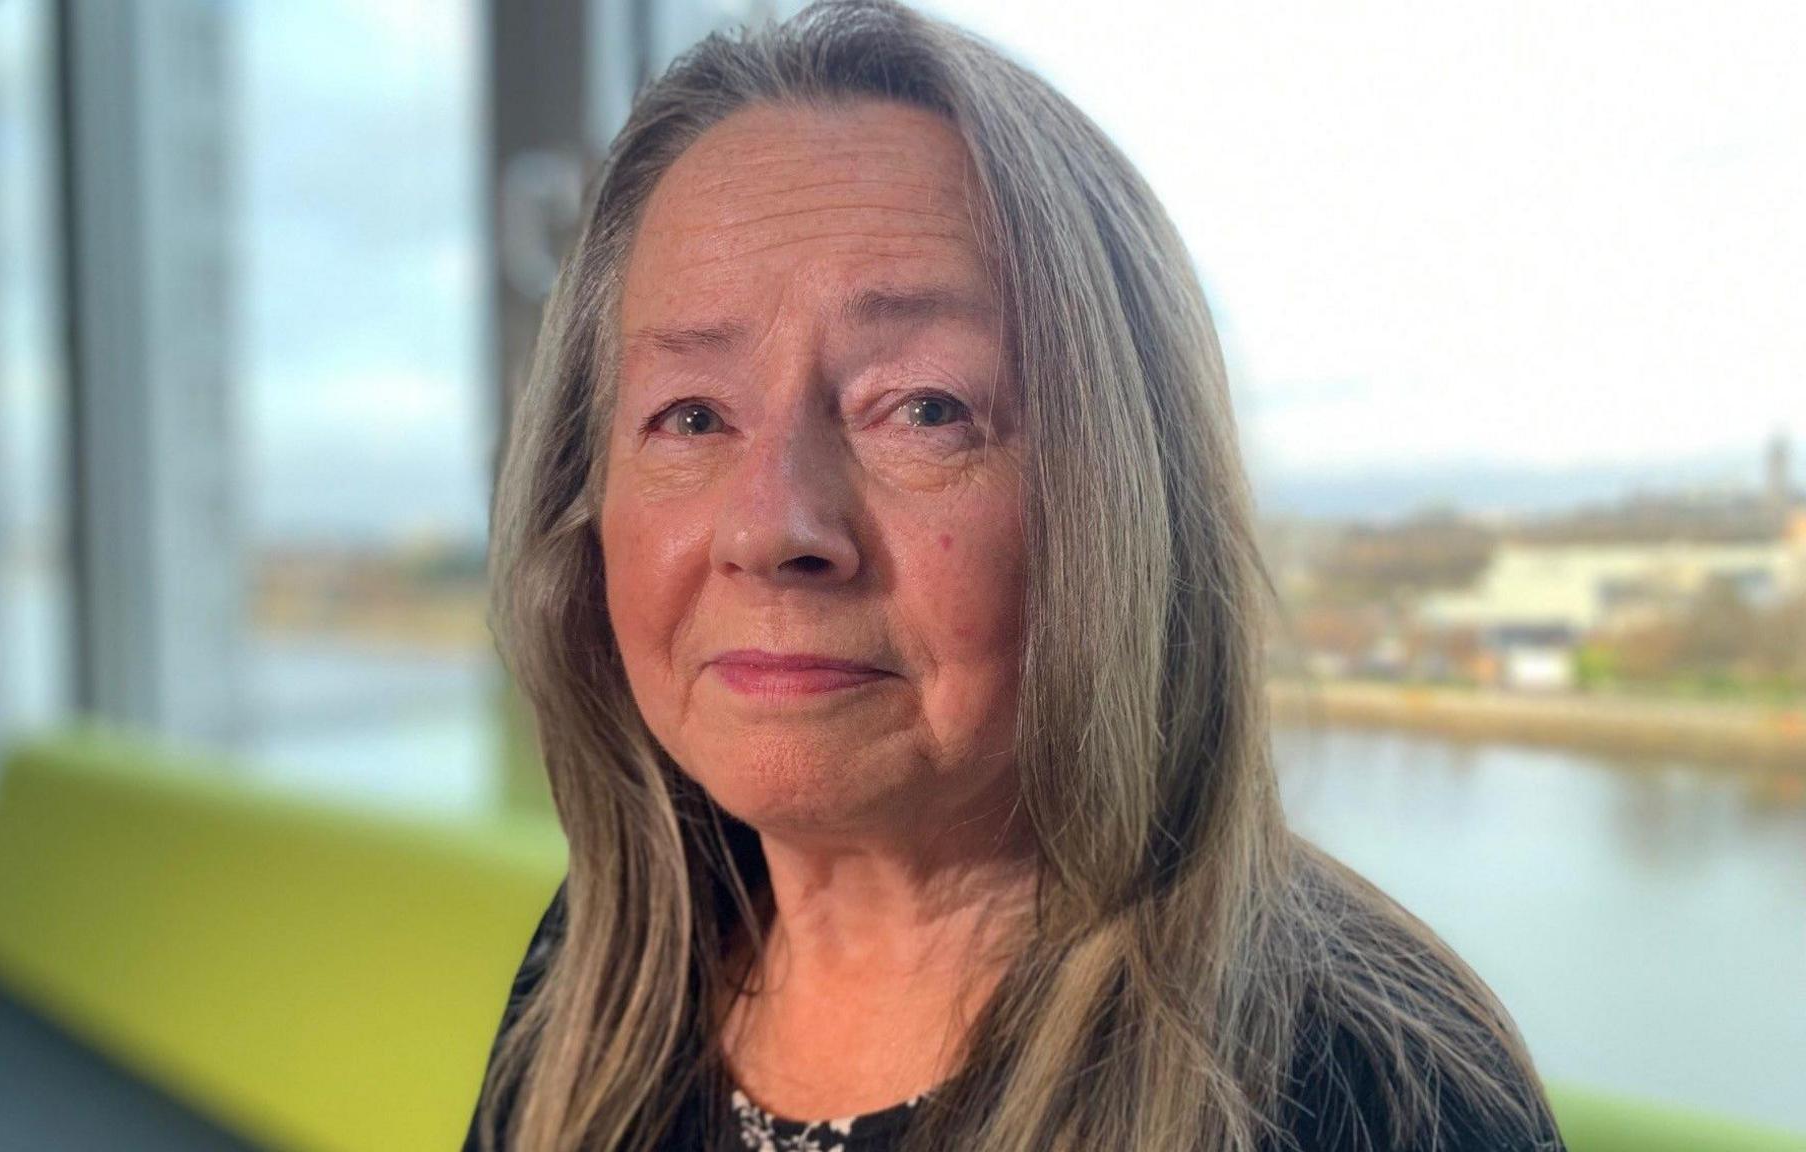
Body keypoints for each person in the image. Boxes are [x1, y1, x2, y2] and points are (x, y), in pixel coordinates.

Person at [466, 2, 1565, 1148]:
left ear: (1120, 499)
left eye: (925, 409)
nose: (772, 524)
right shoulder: (601, 977)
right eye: (689, 416)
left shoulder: (1375, 1096)